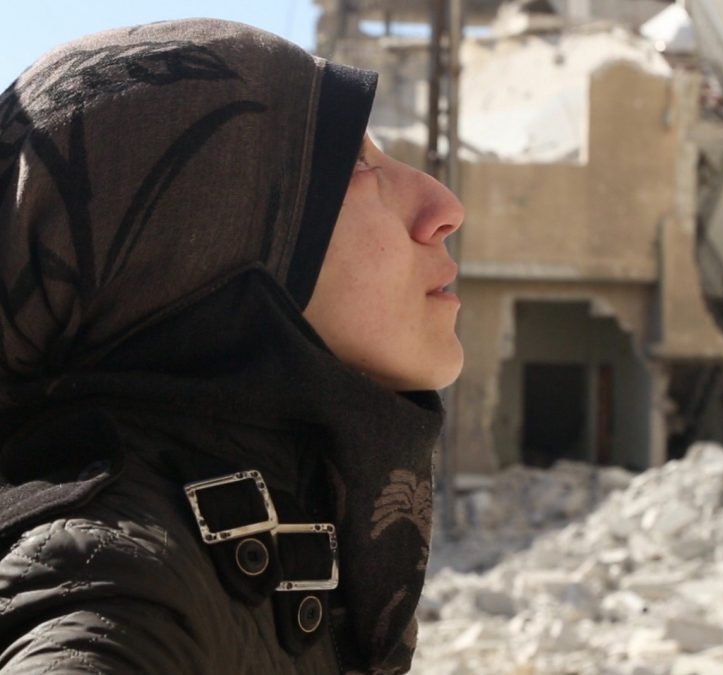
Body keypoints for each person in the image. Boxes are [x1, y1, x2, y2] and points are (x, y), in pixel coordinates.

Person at [0, 18, 463, 673]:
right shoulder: (114, 579)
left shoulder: (255, 519)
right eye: (354, 165)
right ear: (194, 243)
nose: (444, 207)